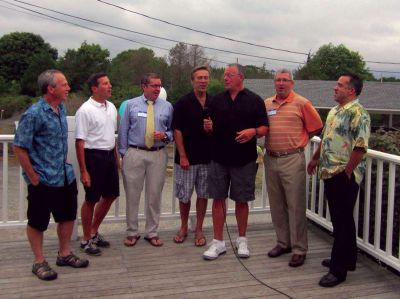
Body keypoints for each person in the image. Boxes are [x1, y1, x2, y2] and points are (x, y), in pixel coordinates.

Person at [13, 69, 89, 281]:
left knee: (67, 216)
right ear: (50, 88)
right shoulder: (34, 114)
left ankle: (64, 254)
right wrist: (33, 177)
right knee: (38, 221)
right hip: (43, 178)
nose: (68, 88)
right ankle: (39, 261)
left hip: (65, 176)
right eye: (64, 84)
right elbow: (19, 147)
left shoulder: (61, 108)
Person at [307, 73, 370, 287]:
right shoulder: (335, 111)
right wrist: (315, 159)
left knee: (342, 222)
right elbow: (326, 138)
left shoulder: (359, 113)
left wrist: (347, 172)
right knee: (340, 220)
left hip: (344, 175)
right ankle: (347, 259)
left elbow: (360, 146)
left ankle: (338, 270)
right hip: (328, 171)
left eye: (340, 85)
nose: (335, 88)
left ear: (351, 90)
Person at [202, 64, 268, 260]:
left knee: (241, 200)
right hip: (219, 158)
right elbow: (209, 130)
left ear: (240, 77)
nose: (225, 78)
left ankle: (242, 240)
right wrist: (208, 127)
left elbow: (264, 127)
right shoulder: (216, 100)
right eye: (224, 75)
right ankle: (218, 242)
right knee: (218, 199)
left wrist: (253, 132)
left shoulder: (255, 100)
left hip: (244, 159)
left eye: (229, 75)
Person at [264, 69, 323, 267]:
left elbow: (316, 126)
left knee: (295, 205)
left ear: (292, 83)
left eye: (285, 80)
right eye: (278, 80)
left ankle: (299, 249)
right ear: (274, 83)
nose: (281, 83)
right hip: (271, 158)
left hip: (292, 158)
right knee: (277, 204)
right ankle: (283, 243)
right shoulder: (267, 103)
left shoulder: (301, 103)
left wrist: (302, 139)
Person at [118, 73, 173, 247]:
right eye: (154, 86)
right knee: (132, 195)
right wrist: (124, 153)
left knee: (154, 195)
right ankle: (132, 232)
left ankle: (152, 232)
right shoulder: (131, 105)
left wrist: (164, 135)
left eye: (159, 86)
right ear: (144, 86)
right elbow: (123, 130)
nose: (158, 89)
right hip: (135, 153)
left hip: (158, 153)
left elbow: (172, 131)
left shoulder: (167, 107)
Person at [75, 73, 119, 256]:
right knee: (91, 199)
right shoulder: (85, 110)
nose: (109, 86)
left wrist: (116, 158)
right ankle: (86, 239)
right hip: (93, 156)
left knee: (110, 195)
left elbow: (111, 135)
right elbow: (80, 142)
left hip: (109, 155)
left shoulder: (112, 107)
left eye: (110, 83)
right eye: (105, 84)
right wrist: (84, 171)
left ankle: (93, 231)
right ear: (94, 88)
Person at [172, 65, 212, 246]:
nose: (203, 81)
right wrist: (182, 155)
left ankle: (199, 229)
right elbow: (177, 130)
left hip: (207, 158)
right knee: (185, 196)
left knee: (203, 195)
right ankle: (183, 227)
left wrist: (212, 129)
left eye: (205, 78)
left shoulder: (214, 101)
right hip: (186, 159)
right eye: (199, 78)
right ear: (192, 81)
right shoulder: (182, 102)